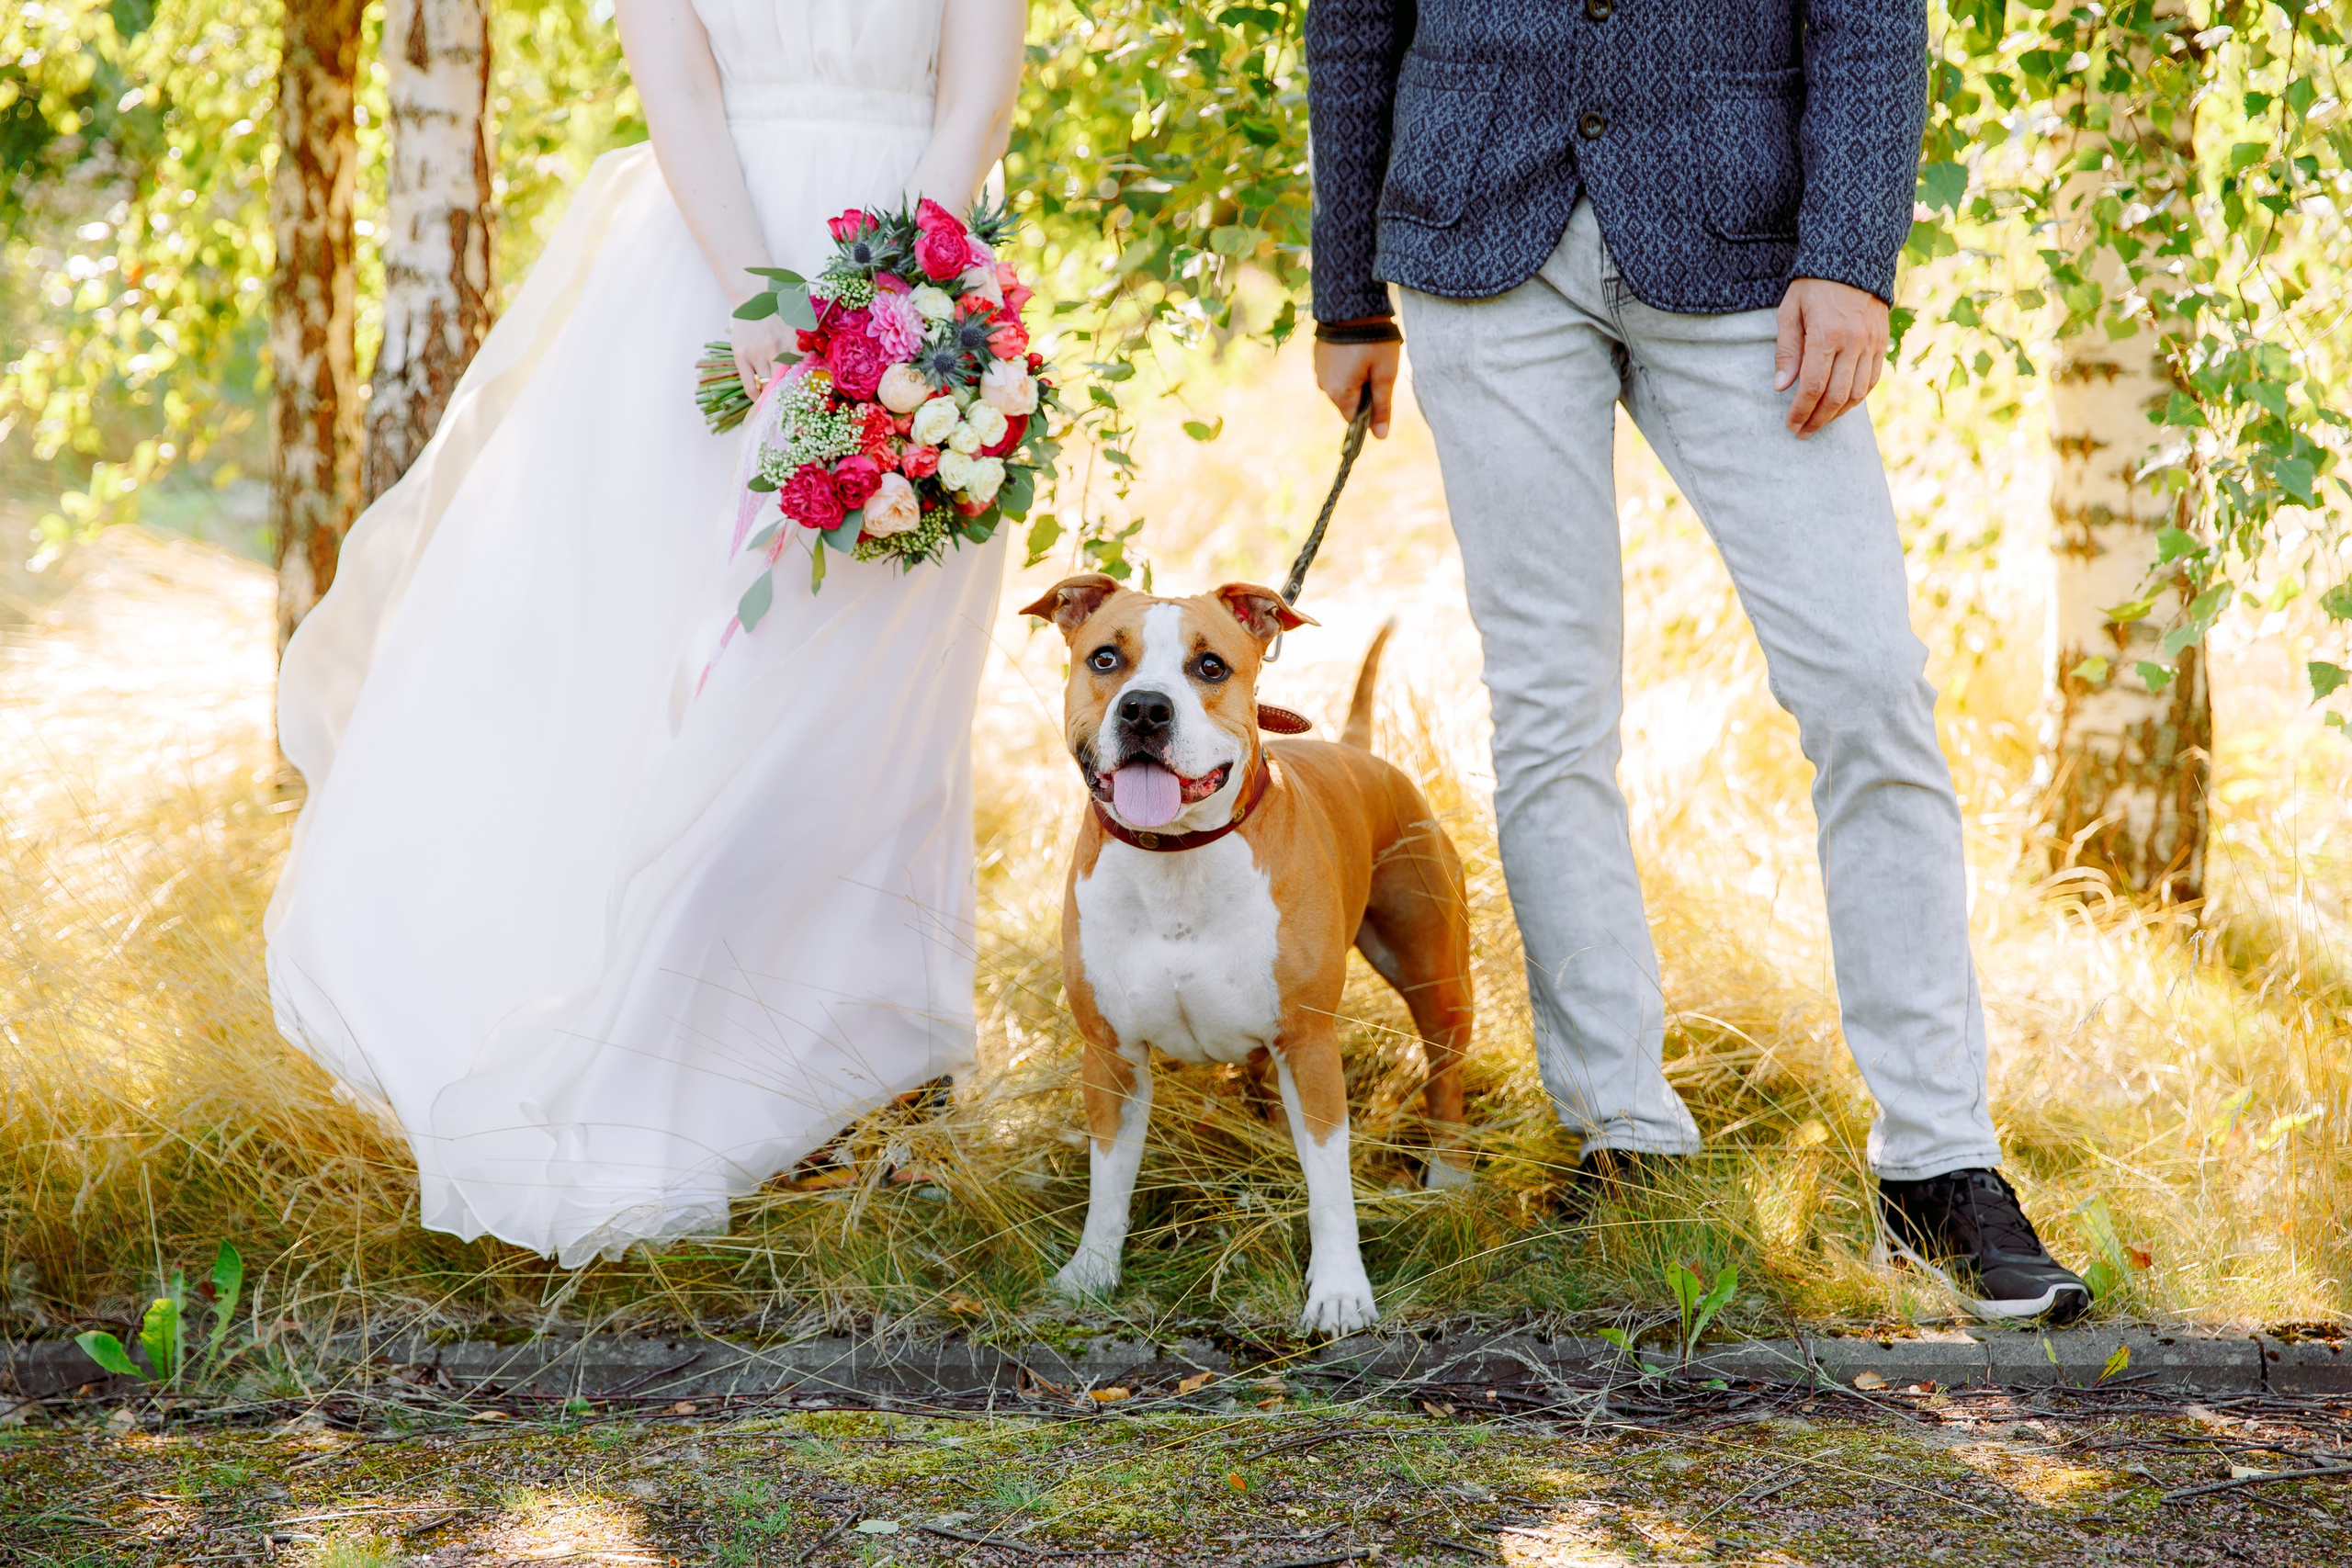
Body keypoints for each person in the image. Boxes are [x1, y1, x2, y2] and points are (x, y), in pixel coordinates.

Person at [1306, 0, 2090, 1321]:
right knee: (1549, 709)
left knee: (1868, 687)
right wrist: (1345, 294)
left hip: (1752, 252)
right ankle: (1623, 1138)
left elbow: (1870, 18)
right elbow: (1353, 19)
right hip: (1475, 234)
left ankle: (1937, 1162)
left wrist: (1852, 255)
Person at [265, 0, 1026, 1268]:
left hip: (921, 290)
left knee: (880, 707)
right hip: (709, 277)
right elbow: (679, 90)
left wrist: (884, 302)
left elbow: (978, 101)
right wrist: (762, 298)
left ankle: (876, 1080)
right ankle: (674, 1043)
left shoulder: (910, 281)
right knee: (682, 668)